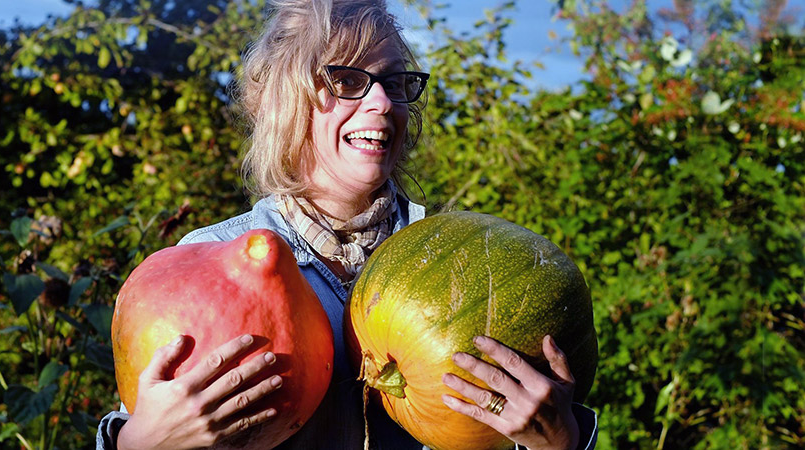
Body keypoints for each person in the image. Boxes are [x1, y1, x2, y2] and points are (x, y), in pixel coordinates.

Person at [97, 0, 598, 449]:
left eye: (395, 83)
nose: (383, 104)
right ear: (285, 100)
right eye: (349, 80)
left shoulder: (471, 261)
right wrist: (137, 444)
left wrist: (559, 442)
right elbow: (152, 423)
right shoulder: (204, 258)